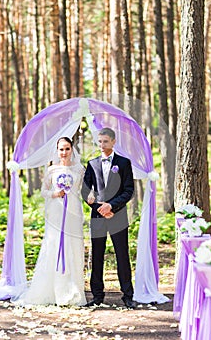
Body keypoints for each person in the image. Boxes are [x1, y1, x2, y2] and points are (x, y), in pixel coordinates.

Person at [15, 137, 86, 306]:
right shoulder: (52, 170)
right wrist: (55, 194)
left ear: (71, 150)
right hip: (56, 209)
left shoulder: (79, 169)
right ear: (57, 151)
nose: (64, 153)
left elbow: (84, 189)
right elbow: (43, 191)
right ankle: (54, 290)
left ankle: (73, 289)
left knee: (73, 244)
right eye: (61, 149)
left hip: (73, 210)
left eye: (67, 149)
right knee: (54, 244)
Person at [81, 127, 136, 309]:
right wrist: (98, 206)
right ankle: (97, 296)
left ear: (113, 142)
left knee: (122, 255)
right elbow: (85, 190)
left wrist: (111, 206)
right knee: (97, 255)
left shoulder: (124, 163)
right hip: (97, 216)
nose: (102, 145)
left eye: (105, 141)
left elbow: (128, 190)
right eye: (100, 141)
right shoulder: (92, 163)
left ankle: (128, 295)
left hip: (118, 216)